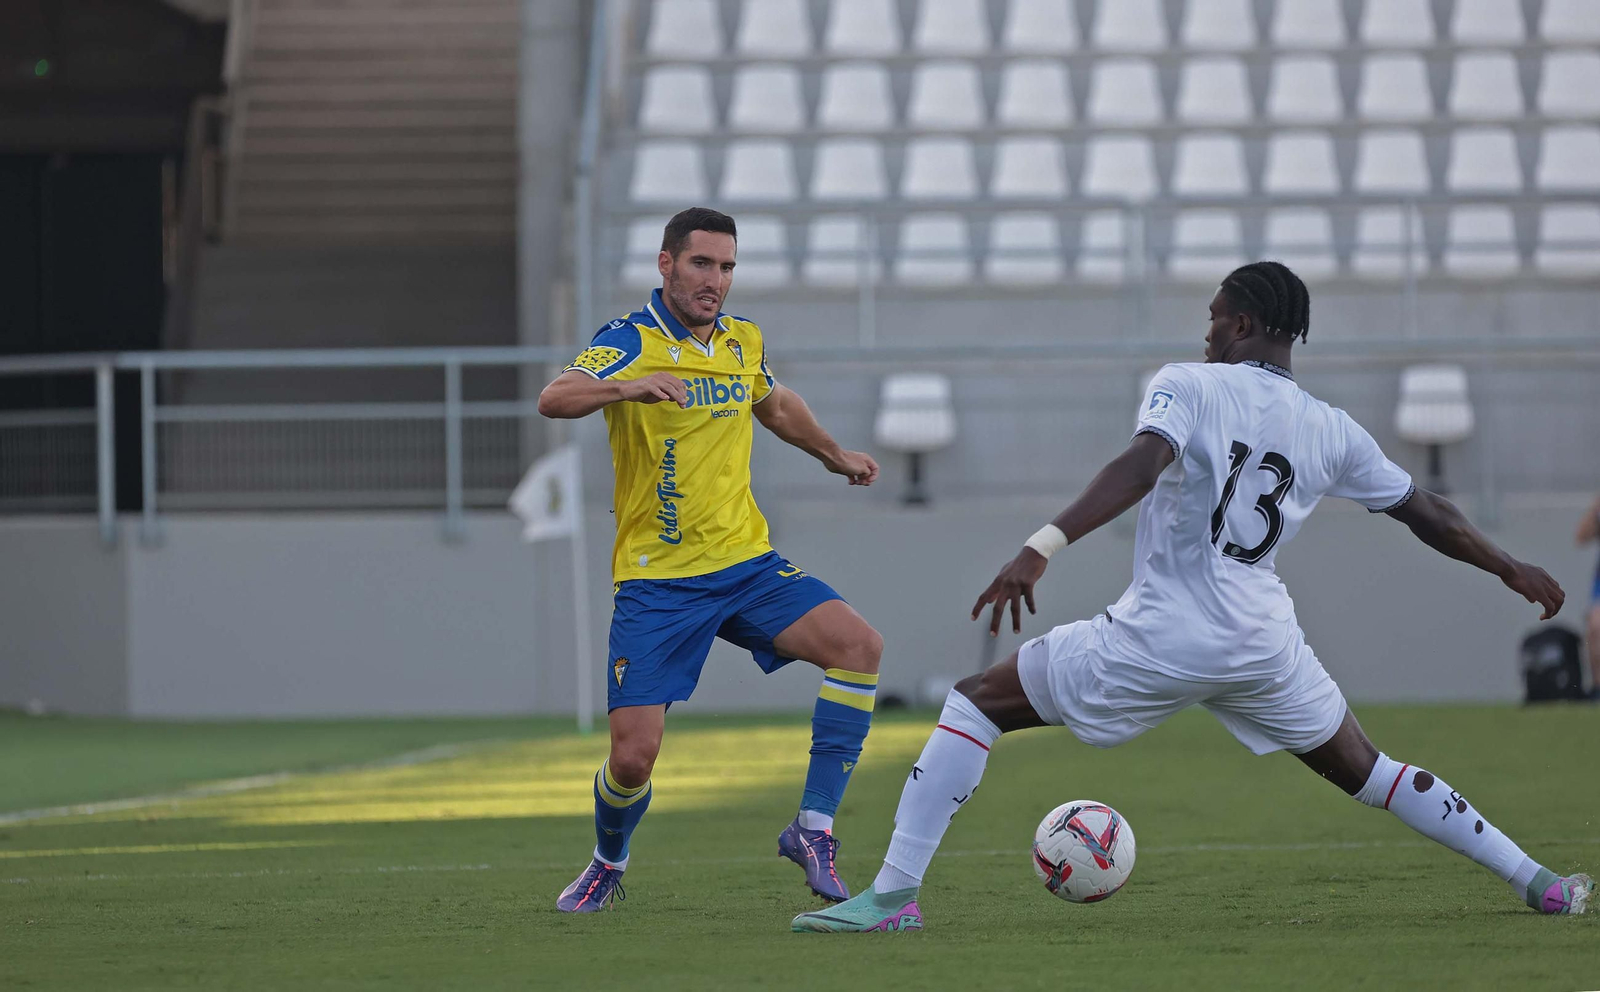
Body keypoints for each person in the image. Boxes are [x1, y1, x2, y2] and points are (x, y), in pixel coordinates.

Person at [794, 261, 1590, 933]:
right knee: (1372, 772)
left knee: (973, 705)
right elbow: (1430, 512)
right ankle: (1538, 882)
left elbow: (1142, 467)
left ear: (1241, 323)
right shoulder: (1331, 428)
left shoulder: (1191, 386)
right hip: (1263, 646)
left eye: (1213, 320)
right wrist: (1510, 567)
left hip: (1162, 637)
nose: (1204, 333)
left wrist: (1041, 548)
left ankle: (895, 895)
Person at [539, 207, 884, 913]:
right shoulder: (628, 340)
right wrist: (627, 387)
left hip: (745, 565)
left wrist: (835, 455)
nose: (716, 281)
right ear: (666, 265)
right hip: (658, 582)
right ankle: (609, 861)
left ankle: (813, 828)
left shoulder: (740, 341)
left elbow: (774, 402)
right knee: (633, 758)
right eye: (702, 264)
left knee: (859, 646)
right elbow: (556, 396)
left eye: (726, 268)